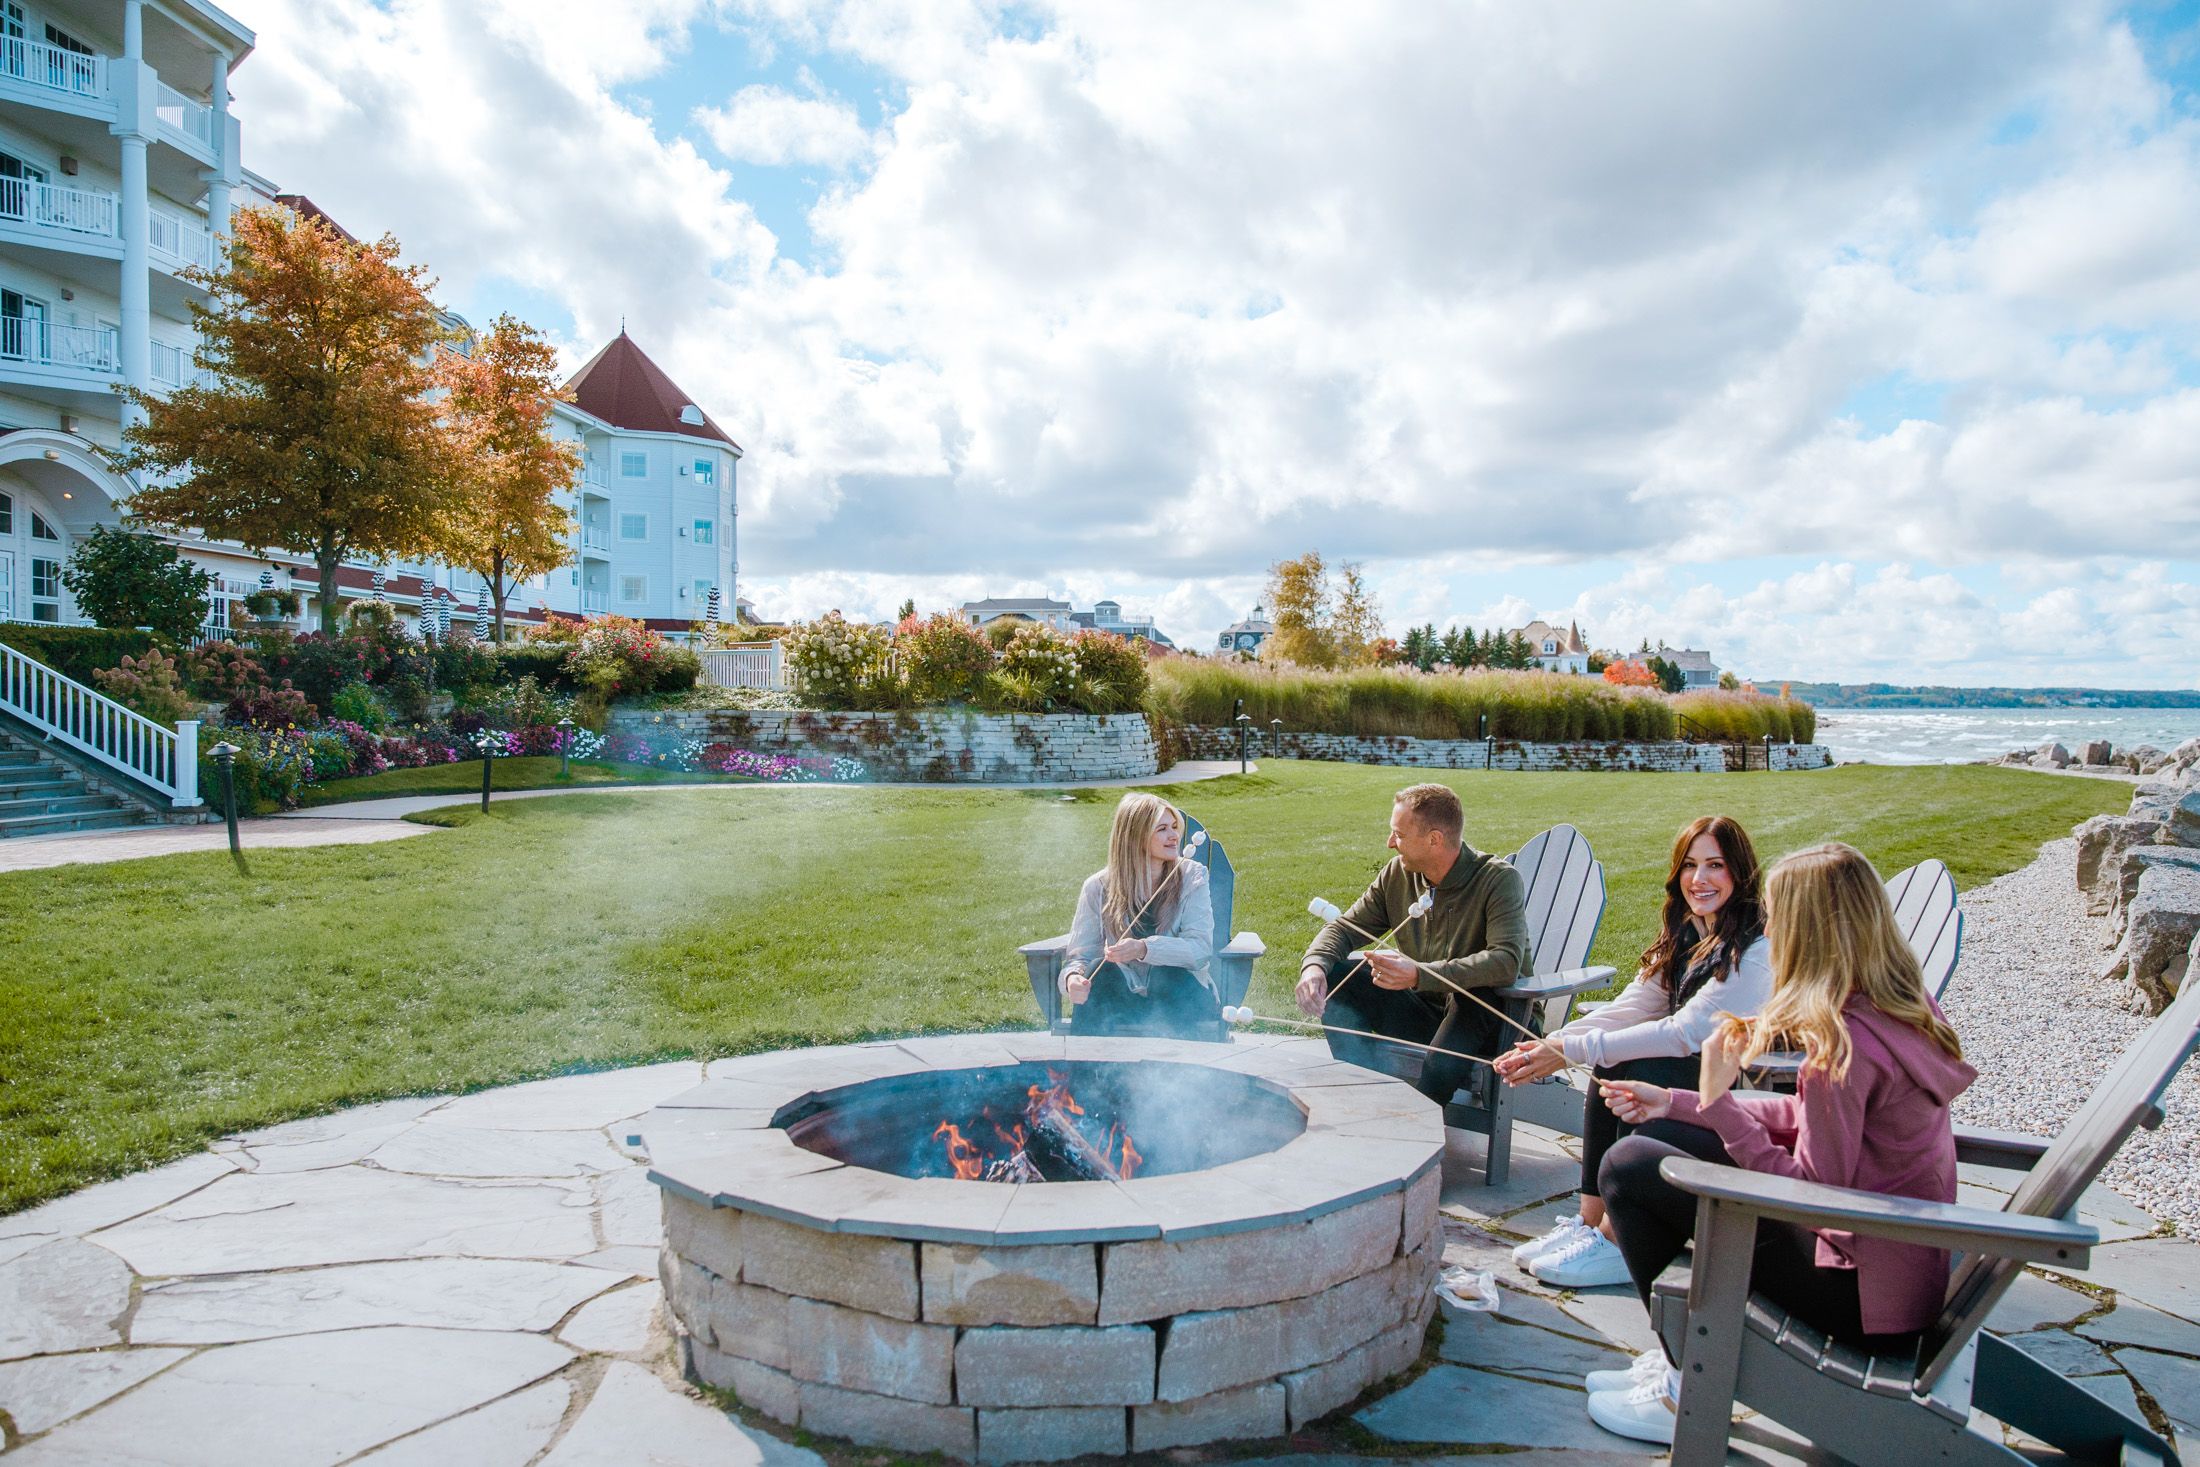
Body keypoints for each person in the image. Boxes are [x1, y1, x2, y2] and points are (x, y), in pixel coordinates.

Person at [1580, 842, 1975, 1446]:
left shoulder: (1841, 1047)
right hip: (1897, 1265)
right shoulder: (1901, 1007)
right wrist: (1677, 1103)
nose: (1768, 933)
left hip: (1859, 1292)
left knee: (1630, 1166)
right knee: (1658, 1133)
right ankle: (1681, 1361)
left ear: (1807, 932)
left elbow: (1811, 1194)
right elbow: (1805, 1117)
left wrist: (1715, 1104)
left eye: (1776, 918)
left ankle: (1687, 1383)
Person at [1495, 816, 1770, 1291]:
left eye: (1715, 866)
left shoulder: (1755, 950)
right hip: (1702, 1087)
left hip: (1746, 1105)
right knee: (1613, 1060)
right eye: (1689, 866)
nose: (1699, 879)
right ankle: (1591, 1224)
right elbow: (1633, 1006)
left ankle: (1621, 1240)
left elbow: (1686, 1034)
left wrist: (1569, 1050)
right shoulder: (1692, 933)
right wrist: (1553, 1044)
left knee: (1638, 1063)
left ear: (1740, 873)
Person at [1296, 782, 1530, 1104]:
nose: (1390, 843)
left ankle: (1423, 1113)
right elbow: (1346, 928)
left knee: (1475, 994)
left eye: (1400, 835)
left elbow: (1505, 962)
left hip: (1493, 1032)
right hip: (1428, 1020)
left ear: (1435, 839)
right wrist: (1314, 967)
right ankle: (1358, 1093)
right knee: (1338, 974)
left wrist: (1420, 974)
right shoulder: (1399, 875)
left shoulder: (1497, 880)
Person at [1060, 793, 1218, 1038]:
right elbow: (1080, 956)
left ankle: (1183, 1074)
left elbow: (1200, 949)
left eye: (1175, 827)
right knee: (1100, 971)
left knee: (1166, 971)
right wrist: (1072, 979)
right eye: (1162, 829)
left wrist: (1144, 949)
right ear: (1135, 836)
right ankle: (1087, 1073)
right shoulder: (1098, 887)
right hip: (1121, 999)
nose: (1174, 835)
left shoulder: (1192, 877)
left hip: (1181, 999)